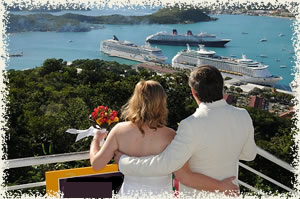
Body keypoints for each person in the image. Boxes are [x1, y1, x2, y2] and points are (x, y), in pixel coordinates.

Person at [116, 65, 257, 197]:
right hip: (230, 192)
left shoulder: (191, 125)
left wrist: (124, 162)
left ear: (193, 93)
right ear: (222, 88)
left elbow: (167, 165)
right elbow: (249, 155)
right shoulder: (243, 115)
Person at [90, 79, 239, 197]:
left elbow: (97, 164)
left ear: (135, 100)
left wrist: (96, 140)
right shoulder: (170, 136)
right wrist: (223, 187)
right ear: (162, 103)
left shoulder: (118, 130)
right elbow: (186, 177)